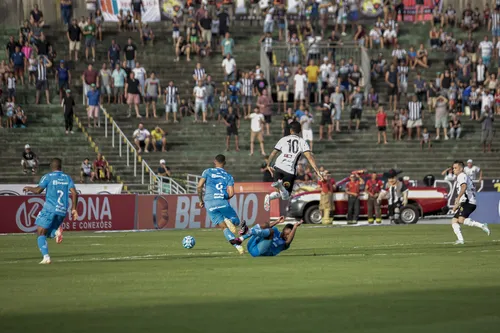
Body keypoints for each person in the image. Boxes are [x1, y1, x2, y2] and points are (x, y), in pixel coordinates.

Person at [22, 158, 78, 264]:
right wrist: (74, 209)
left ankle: (46, 257)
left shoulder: (48, 177)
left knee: (40, 232)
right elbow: (75, 193)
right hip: (62, 210)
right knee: (45, 232)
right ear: (60, 167)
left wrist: (29, 188)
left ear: (51, 167)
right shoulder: (67, 177)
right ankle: (55, 232)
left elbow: (38, 190)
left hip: (50, 209)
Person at [264, 121, 323, 211]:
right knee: (285, 196)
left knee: (279, 192)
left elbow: (273, 154)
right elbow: (310, 158)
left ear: (290, 130)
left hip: (278, 167)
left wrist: (268, 165)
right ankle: (280, 186)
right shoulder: (302, 142)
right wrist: (317, 171)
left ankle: (269, 197)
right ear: (300, 131)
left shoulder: (283, 139)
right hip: (289, 171)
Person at [197, 154, 244, 255]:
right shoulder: (228, 176)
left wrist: (201, 200)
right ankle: (229, 220)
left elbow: (199, 186)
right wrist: (222, 197)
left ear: (214, 161)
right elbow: (231, 193)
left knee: (223, 227)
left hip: (209, 203)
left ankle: (238, 246)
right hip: (221, 201)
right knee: (236, 221)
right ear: (225, 163)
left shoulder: (207, 171)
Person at [450, 161, 490, 245]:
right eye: (453, 168)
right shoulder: (462, 176)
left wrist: (458, 198)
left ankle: (482, 225)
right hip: (466, 202)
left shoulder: (461, 176)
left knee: (460, 220)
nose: (453, 170)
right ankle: (461, 240)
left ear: (461, 169)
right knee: (454, 221)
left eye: (455, 168)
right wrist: (456, 205)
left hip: (469, 202)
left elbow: (464, 187)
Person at [230, 216, 302, 257]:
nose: (288, 236)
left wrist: (295, 227)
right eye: (288, 233)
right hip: (251, 245)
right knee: (265, 225)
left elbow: (288, 241)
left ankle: (247, 232)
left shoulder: (284, 244)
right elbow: (267, 226)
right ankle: (241, 238)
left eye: (290, 234)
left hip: (259, 253)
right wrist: (277, 221)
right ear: (284, 229)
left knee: (271, 232)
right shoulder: (276, 230)